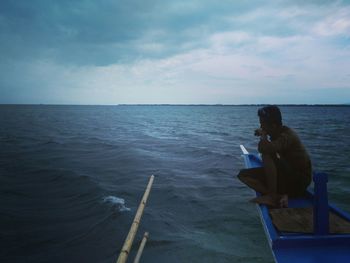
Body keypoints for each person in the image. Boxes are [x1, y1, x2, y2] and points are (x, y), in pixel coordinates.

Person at [238, 105, 312, 208]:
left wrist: (264, 137)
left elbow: (266, 149)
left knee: (267, 154)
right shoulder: (274, 135)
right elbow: (265, 148)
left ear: (273, 126)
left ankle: (272, 196)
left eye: (262, 124)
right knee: (243, 175)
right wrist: (264, 136)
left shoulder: (287, 135)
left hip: (299, 181)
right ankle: (278, 196)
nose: (261, 126)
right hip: (286, 176)